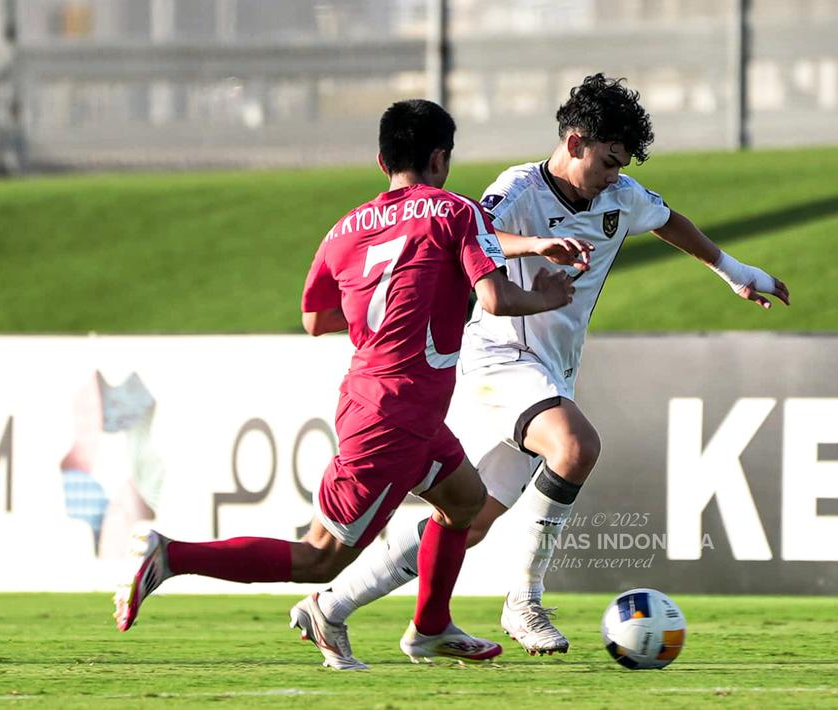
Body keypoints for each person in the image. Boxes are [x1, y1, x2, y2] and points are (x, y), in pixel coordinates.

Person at [297, 74, 790, 668]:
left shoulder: (620, 197)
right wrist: (533, 244)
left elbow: (668, 220)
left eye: (621, 165)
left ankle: (332, 605)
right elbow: (472, 235)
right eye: (607, 162)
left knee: (467, 521)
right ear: (575, 143)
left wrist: (735, 272)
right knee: (576, 446)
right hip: (498, 356)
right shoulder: (518, 189)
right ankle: (524, 601)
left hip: (550, 371)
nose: (614, 176)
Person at [112, 99, 579, 669]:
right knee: (319, 558)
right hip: (393, 416)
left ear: (383, 160)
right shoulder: (456, 212)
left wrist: (388, 316)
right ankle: (171, 557)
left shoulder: (344, 229)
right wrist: (546, 296)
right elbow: (497, 299)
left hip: (389, 403)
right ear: (440, 158)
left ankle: (431, 626)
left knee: (464, 502)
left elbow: (315, 319)